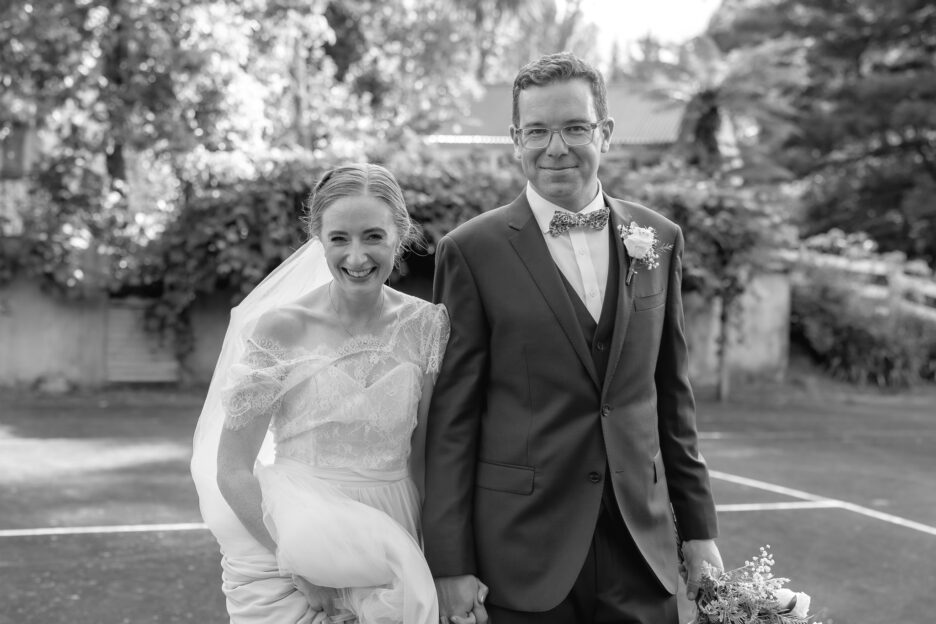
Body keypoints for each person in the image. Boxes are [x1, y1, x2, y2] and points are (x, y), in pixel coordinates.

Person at [422, 52, 724, 624]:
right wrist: (450, 564)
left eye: (575, 128)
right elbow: (452, 422)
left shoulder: (658, 239)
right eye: (537, 130)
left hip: (643, 549)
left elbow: (673, 402)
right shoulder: (470, 251)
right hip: (524, 554)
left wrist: (699, 532)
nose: (555, 147)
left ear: (604, 133)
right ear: (515, 139)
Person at [191, 163, 459, 624]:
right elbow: (232, 467)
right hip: (292, 532)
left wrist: (439, 555)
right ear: (318, 238)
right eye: (339, 239)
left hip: (394, 532)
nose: (356, 257)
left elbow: (426, 454)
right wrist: (299, 565)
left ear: (400, 233)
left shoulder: (427, 325)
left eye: (373, 236)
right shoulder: (280, 328)